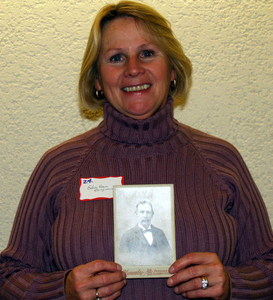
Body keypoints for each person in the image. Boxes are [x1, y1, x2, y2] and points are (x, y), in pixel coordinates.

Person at [0, 1, 273, 299]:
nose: (133, 69)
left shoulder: (220, 159)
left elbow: (268, 266)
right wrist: (61, 290)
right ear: (97, 81)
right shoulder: (60, 165)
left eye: (147, 53)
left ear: (172, 69)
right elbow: (8, 276)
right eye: (116, 57)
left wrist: (232, 284)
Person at [118, 200, 173, 266]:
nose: (145, 215)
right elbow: (123, 261)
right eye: (142, 212)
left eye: (148, 212)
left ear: (152, 214)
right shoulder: (127, 235)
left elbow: (169, 257)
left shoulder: (160, 233)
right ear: (136, 214)